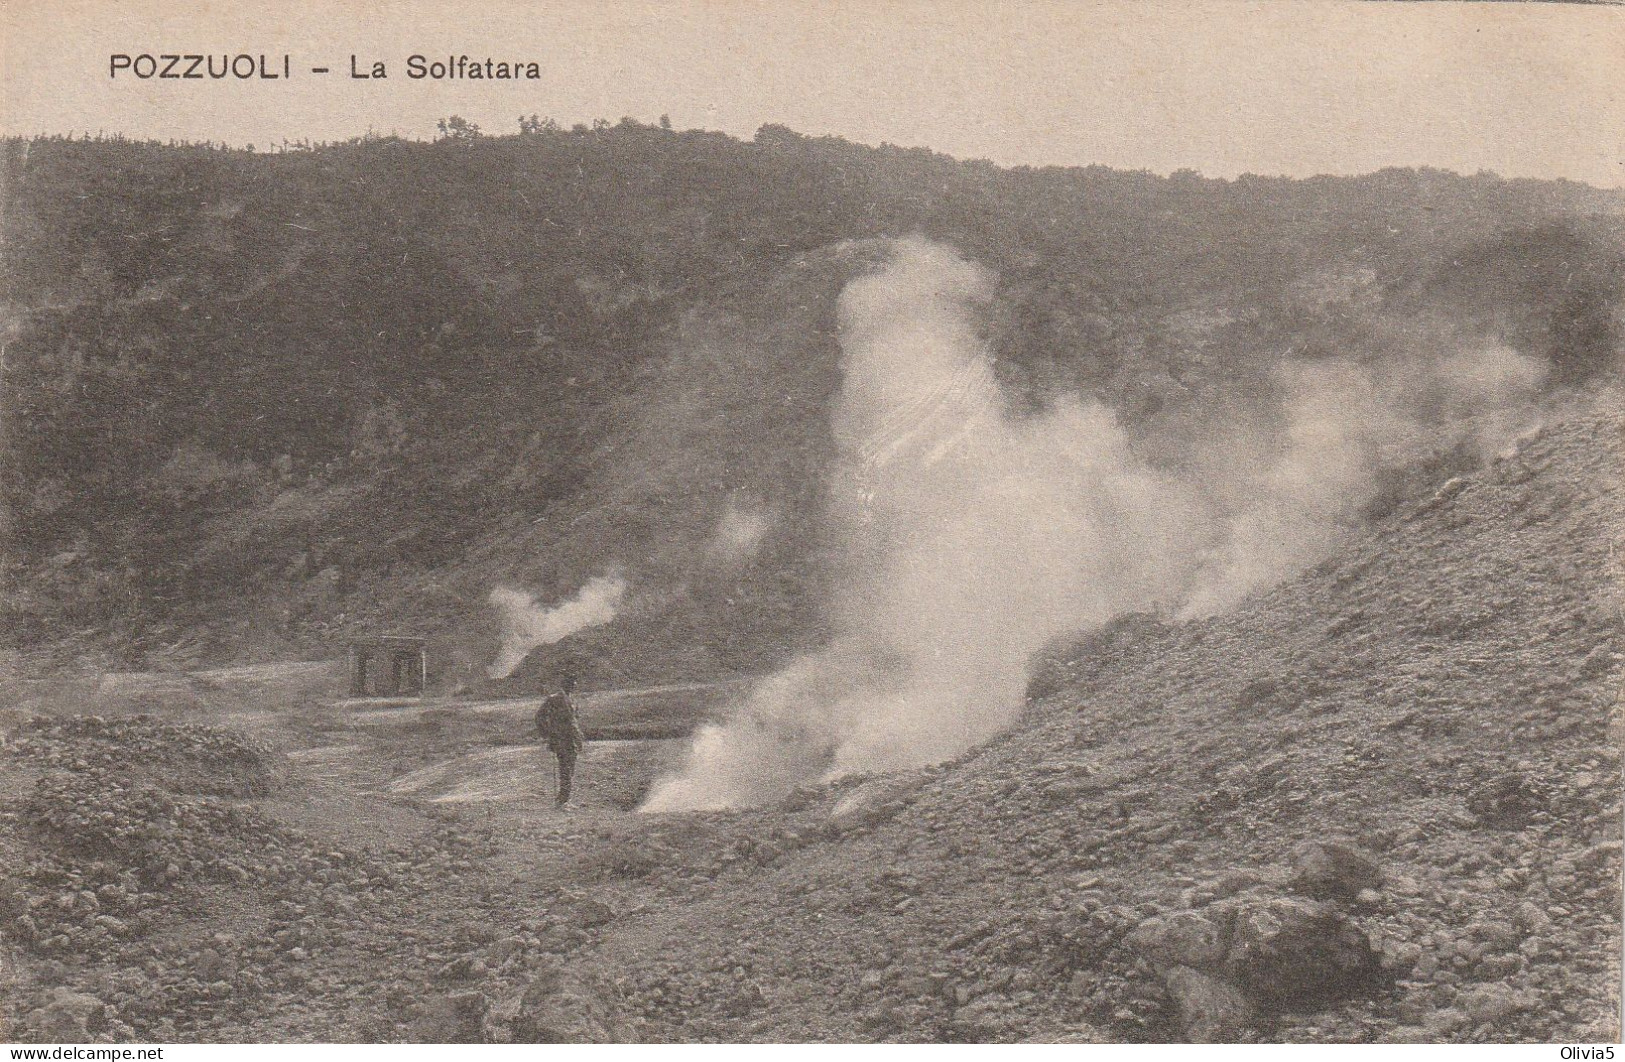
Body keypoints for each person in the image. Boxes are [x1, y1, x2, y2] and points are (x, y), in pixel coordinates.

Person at [535, 675, 584, 807]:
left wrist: (579, 737)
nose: (574, 686)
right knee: (565, 768)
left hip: (572, 739)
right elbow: (540, 716)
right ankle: (562, 800)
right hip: (560, 739)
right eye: (572, 684)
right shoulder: (554, 699)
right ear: (565, 685)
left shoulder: (572, 700)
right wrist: (548, 732)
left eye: (575, 684)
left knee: (570, 768)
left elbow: (574, 720)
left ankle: (564, 798)